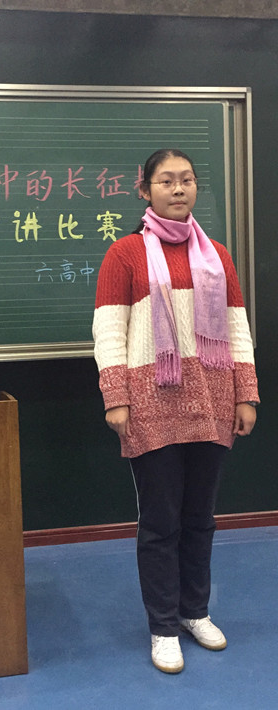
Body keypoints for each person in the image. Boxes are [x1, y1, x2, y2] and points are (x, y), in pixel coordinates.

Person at [92, 148, 259, 674]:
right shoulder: (125, 254)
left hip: (212, 400)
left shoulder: (218, 256)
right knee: (161, 524)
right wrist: (116, 397)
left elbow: (236, 326)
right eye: (166, 181)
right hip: (151, 403)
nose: (179, 188)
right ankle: (163, 626)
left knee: (200, 520)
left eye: (186, 179)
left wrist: (246, 393)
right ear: (145, 190)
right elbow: (108, 330)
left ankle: (194, 611)